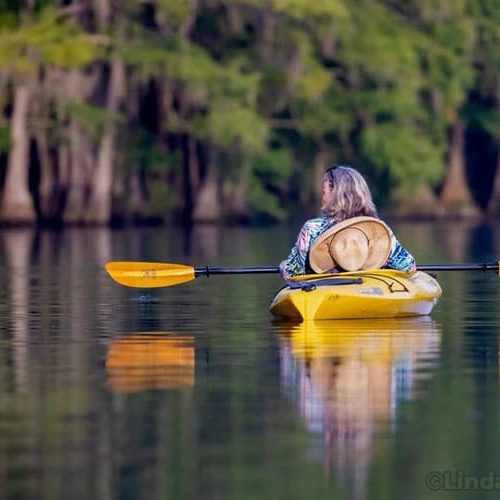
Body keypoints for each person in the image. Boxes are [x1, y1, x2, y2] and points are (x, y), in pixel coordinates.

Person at [279, 165, 416, 279]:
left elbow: (292, 272)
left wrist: (283, 266)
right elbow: (409, 267)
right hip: (371, 288)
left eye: (323, 192)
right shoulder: (378, 230)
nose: (322, 198)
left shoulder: (312, 228)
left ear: (335, 193)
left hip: (324, 291)